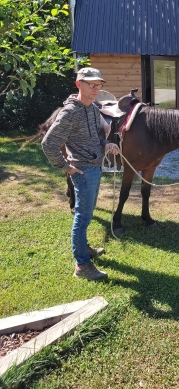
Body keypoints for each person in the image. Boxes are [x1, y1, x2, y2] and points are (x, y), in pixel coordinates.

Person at [42, 67, 120, 281]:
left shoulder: (93, 109)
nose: (95, 88)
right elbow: (48, 144)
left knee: (86, 214)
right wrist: (65, 167)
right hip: (83, 171)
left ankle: (84, 249)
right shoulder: (70, 112)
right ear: (79, 84)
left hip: (95, 168)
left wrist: (107, 144)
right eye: (90, 84)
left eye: (98, 85)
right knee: (83, 217)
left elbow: (96, 139)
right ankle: (82, 265)